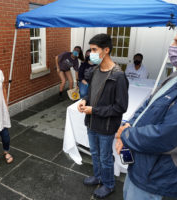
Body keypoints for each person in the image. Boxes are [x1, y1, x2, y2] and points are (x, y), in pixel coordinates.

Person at [115, 24, 177, 200]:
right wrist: (127, 125)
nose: (172, 46)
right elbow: (148, 105)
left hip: (155, 176)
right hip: (140, 164)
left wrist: (126, 134)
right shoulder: (176, 75)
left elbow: (166, 137)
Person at [77, 34, 129, 199]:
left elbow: (121, 107)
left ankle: (109, 184)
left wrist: (95, 110)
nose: (90, 53)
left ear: (106, 50)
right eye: (90, 49)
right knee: (94, 153)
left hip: (106, 126)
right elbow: (91, 95)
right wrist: (84, 101)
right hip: (91, 122)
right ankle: (98, 176)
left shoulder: (118, 76)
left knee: (106, 157)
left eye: (94, 50)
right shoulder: (94, 71)